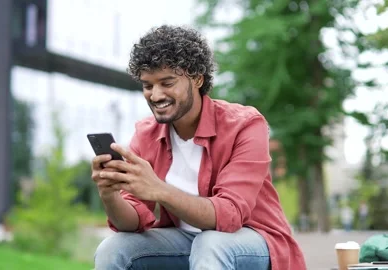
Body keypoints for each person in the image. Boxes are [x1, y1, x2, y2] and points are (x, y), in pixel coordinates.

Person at [92, 25, 306, 270]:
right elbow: (132, 221)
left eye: (167, 82)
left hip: (253, 241)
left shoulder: (245, 125)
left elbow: (230, 214)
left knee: (211, 243)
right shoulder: (146, 134)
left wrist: (159, 190)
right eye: (148, 85)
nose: (155, 94)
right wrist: (109, 194)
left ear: (197, 78)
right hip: (186, 243)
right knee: (114, 248)